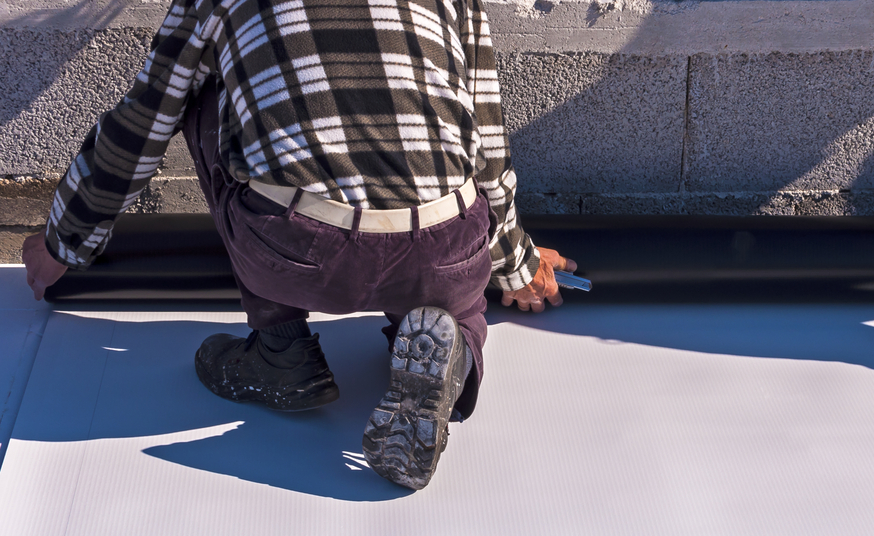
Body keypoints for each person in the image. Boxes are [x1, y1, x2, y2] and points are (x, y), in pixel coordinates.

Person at [22, 0, 575, 490]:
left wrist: (63, 242)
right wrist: (513, 262)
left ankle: (280, 349)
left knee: (200, 96)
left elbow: (142, 122)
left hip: (299, 250)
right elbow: (487, 146)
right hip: (443, 245)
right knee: (456, 299)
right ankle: (453, 353)